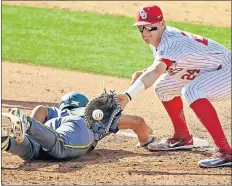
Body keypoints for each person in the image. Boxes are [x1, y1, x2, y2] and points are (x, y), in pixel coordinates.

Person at [117, 4, 231, 168]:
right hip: (207, 70)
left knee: (192, 90)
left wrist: (127, 96)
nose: (145, 33)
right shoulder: (158, 38)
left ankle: (226, 152)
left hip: (226, 70)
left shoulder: (171, 41)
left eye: (151, 27)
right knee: (163, 87)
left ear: (162, 23)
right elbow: (166, 66)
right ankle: (182, 137)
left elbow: (158, 70)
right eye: (141, 28)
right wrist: (144, 71)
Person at [2, 91, 155, 161]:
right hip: (77, 126)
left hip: (50, 127)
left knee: (31, 149)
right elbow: (137, 122)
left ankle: (7, 141)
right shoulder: (91, 113)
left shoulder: (58, 112)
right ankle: (28, 124)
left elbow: (40, 109)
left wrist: (32, 132)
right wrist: (145, 139)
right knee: (60, 146)